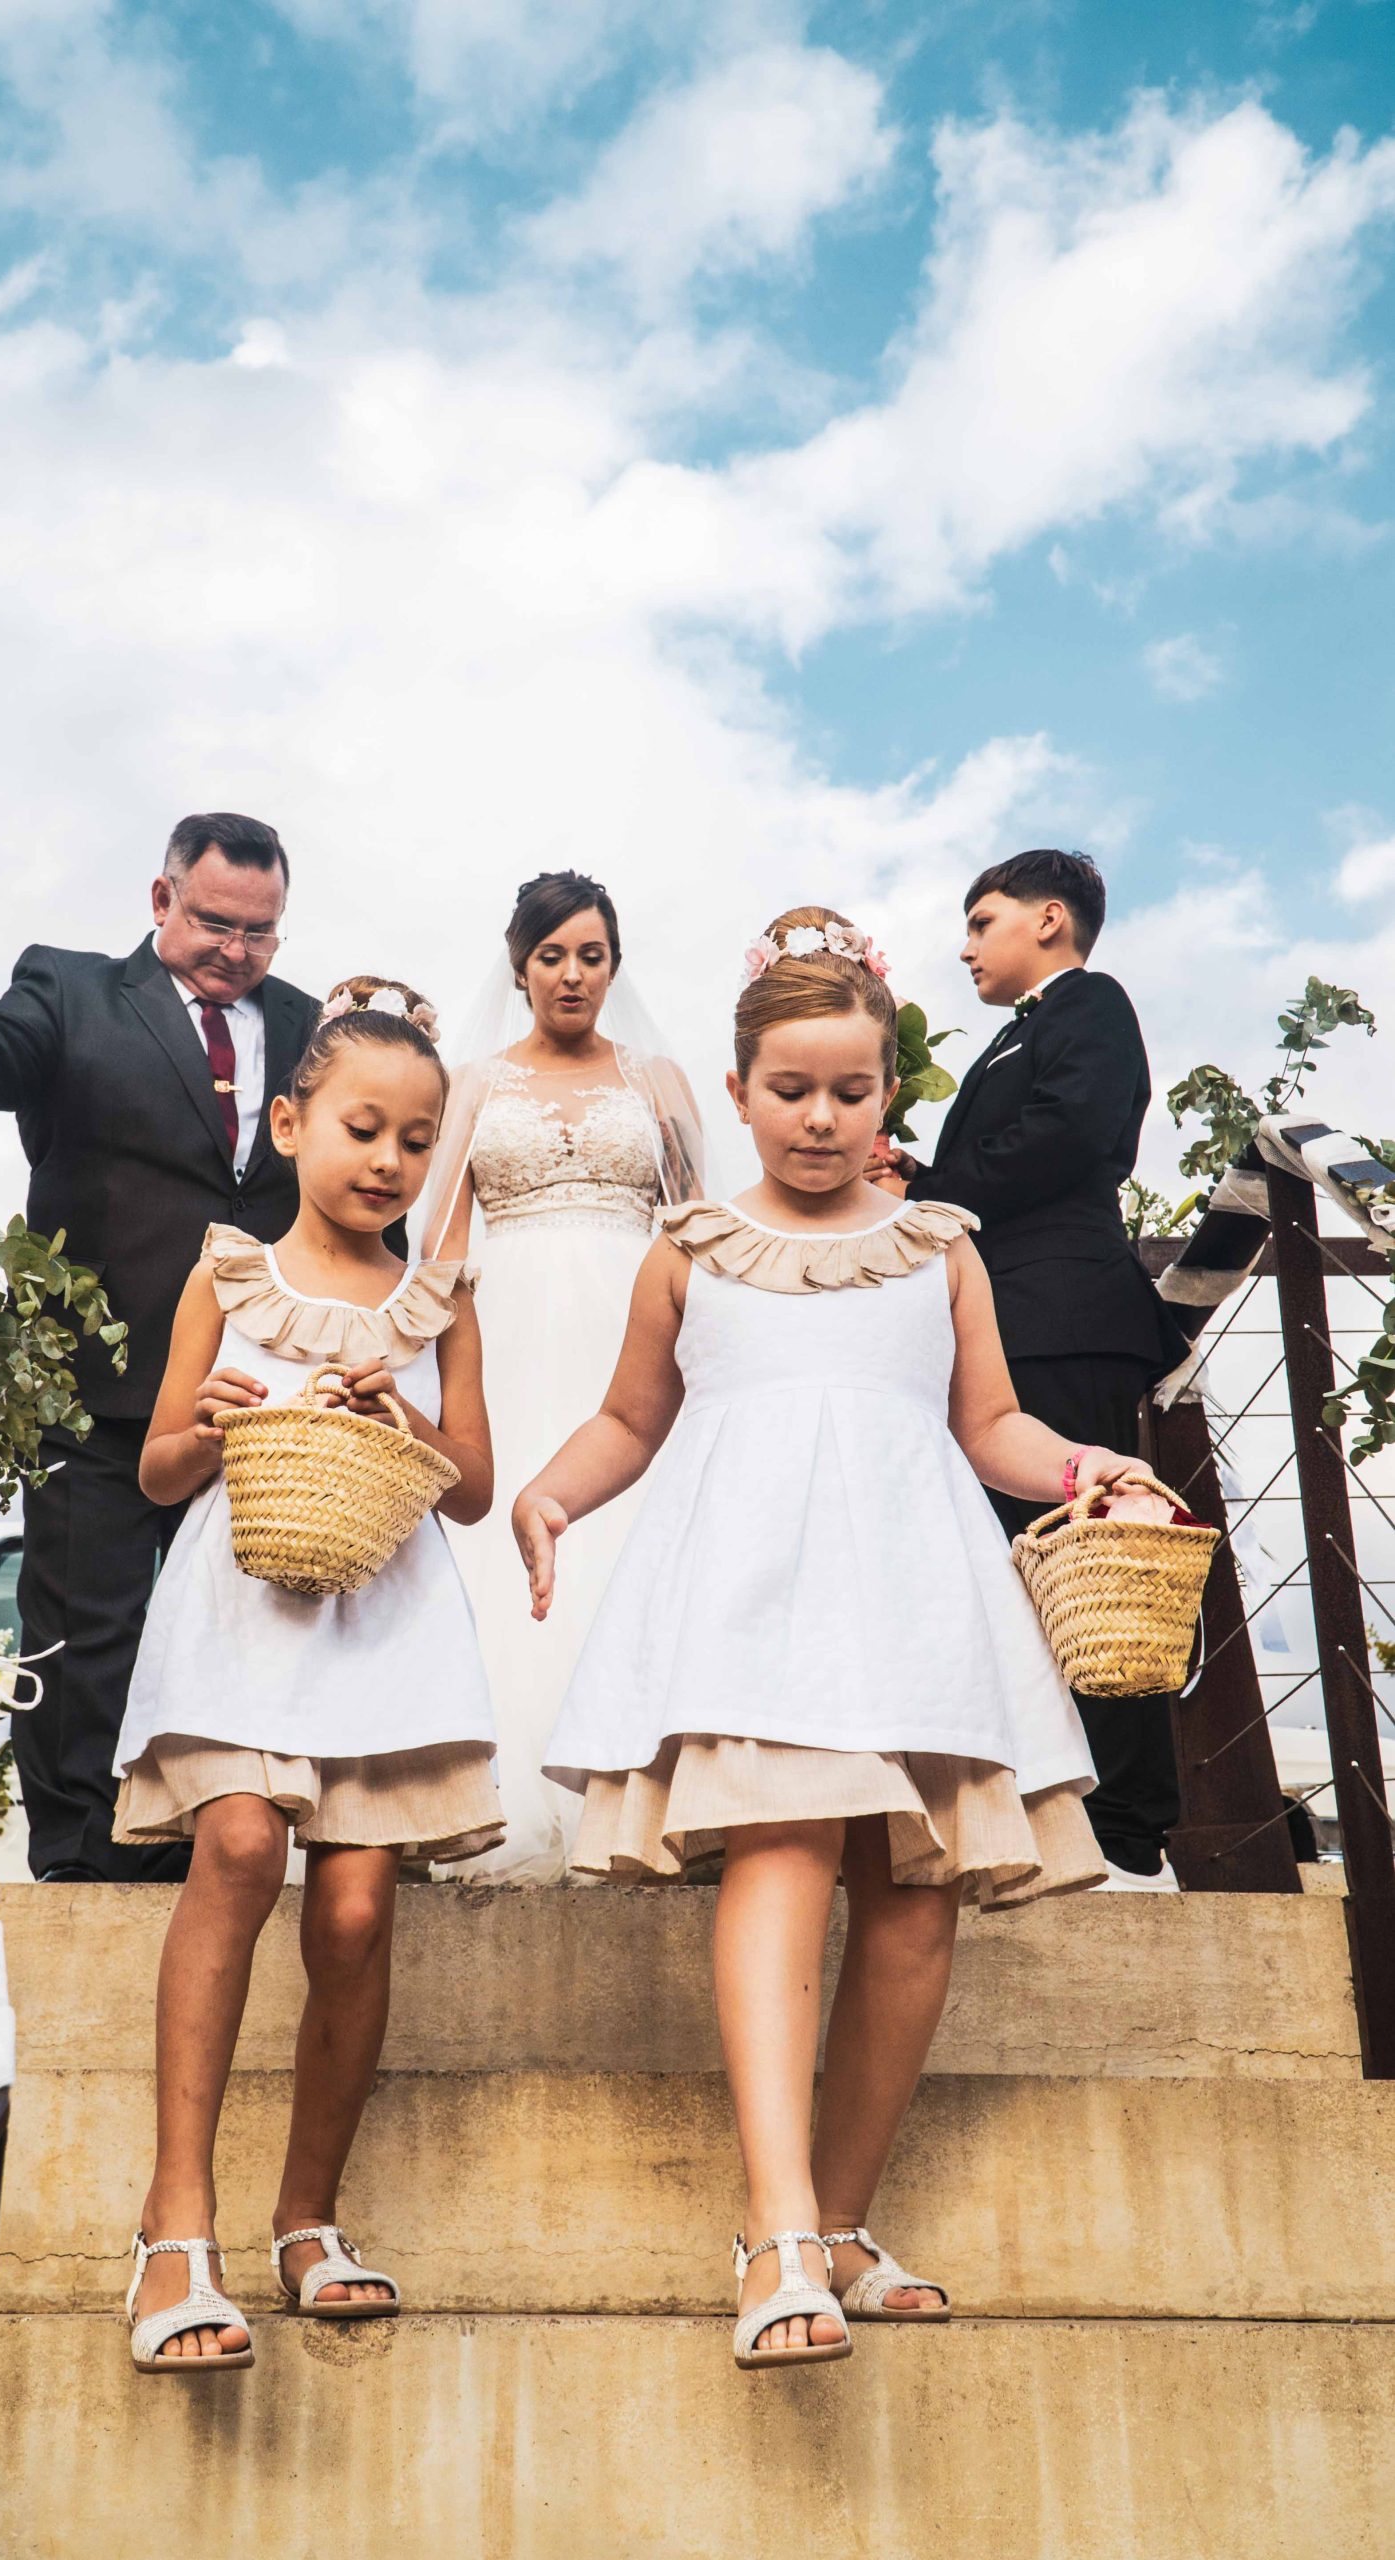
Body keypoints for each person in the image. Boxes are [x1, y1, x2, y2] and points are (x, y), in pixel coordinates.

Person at [515, 907, 1143, 2369]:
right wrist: (548, 1494)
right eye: (790, 1090)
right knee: (784, 1853)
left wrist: (1081, 1467)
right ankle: (776, 2227)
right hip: (752, 1605)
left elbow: (988, 1423)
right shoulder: (690, 1250)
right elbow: (630, 1419)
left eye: (849, 1092)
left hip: (914, 1597)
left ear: (886, 1096)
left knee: (915, 1902)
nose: (818, 1117)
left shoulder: (938, 1249)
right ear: (738, 1092)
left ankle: (844, 2223)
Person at [116, 977, 501, 2367]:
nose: (386, 1160)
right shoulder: (227, 1277)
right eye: (360, 1127)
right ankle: (175, 2223)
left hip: (381, 1628)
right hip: (239, 1612)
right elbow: (158, 1468)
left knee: (350, 1913)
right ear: (290, 1125)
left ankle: (307, 2214)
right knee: (234, 1845)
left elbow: (471, 1489)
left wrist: (407, 1416)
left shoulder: (436, 1301)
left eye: (415, 1139)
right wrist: (210, 1427)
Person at [0, 812, 326, 1884]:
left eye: (260, 931)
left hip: (255, 1387)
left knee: (243, 1624)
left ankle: (230, 1839)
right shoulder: (73, 992)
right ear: (161, 899)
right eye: (215, 922)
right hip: (97, 1381)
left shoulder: (310, 1025)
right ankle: (86, 1858)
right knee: (86, 1621)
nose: (235, 950)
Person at [895, 849, 1192, 1889]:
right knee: (1024, 1568)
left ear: (1050, 918)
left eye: (982, 921)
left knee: (1093, 1562)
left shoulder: (1091, 1006)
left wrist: (927, 1190)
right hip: (1014, 1321)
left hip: (1063, 1315)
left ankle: (1127, 1831)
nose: (966, 946)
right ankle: (1044, 1805)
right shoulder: (1015, 1034)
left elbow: (1062, 1134)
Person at [421, 871, 703, 1882]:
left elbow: (698, 1229)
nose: (572, 974)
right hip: (507, 1331)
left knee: (635, 1529)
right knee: (499, 1541)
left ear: (614, 966)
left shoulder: (659, 1081)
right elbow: (441, 1245)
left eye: (591, 954)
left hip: (634, 1325)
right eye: (551, 956)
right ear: (520, 967)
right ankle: (492, 1789)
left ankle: (644, 1789)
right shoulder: (474, 1084)